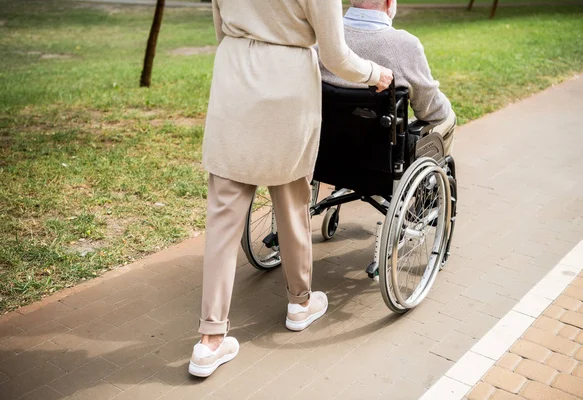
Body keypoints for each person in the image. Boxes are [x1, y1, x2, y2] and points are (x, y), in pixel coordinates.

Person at [188, 0, 394, 378]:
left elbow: (220, 26)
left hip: (234, 79)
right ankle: (300, 303)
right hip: (287, 86)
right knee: (292, 199)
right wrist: (374, 73)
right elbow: (335, 54)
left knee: (222, 219)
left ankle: (210, 340)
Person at [320, 0, 456, 156]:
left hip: (329, 148)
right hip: (382, 154)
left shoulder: (321, 39)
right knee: (448, 117)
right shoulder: (405, 45)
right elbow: (433, 112)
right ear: (390, 2)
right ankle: (441, 177)